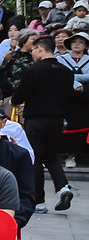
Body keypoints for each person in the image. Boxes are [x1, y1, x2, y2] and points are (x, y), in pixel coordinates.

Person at [14, 32, 78, 210]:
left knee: (35, 158)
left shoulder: (33, 70)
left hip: (36, 119)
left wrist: (15, 100)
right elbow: (69, 97)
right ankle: (63, 188)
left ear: (40, 49)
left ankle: (38, 201)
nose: (32, 53)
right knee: (51, 156)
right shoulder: (66, 72)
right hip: (57, 120)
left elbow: (19, 95)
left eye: (33, 50)